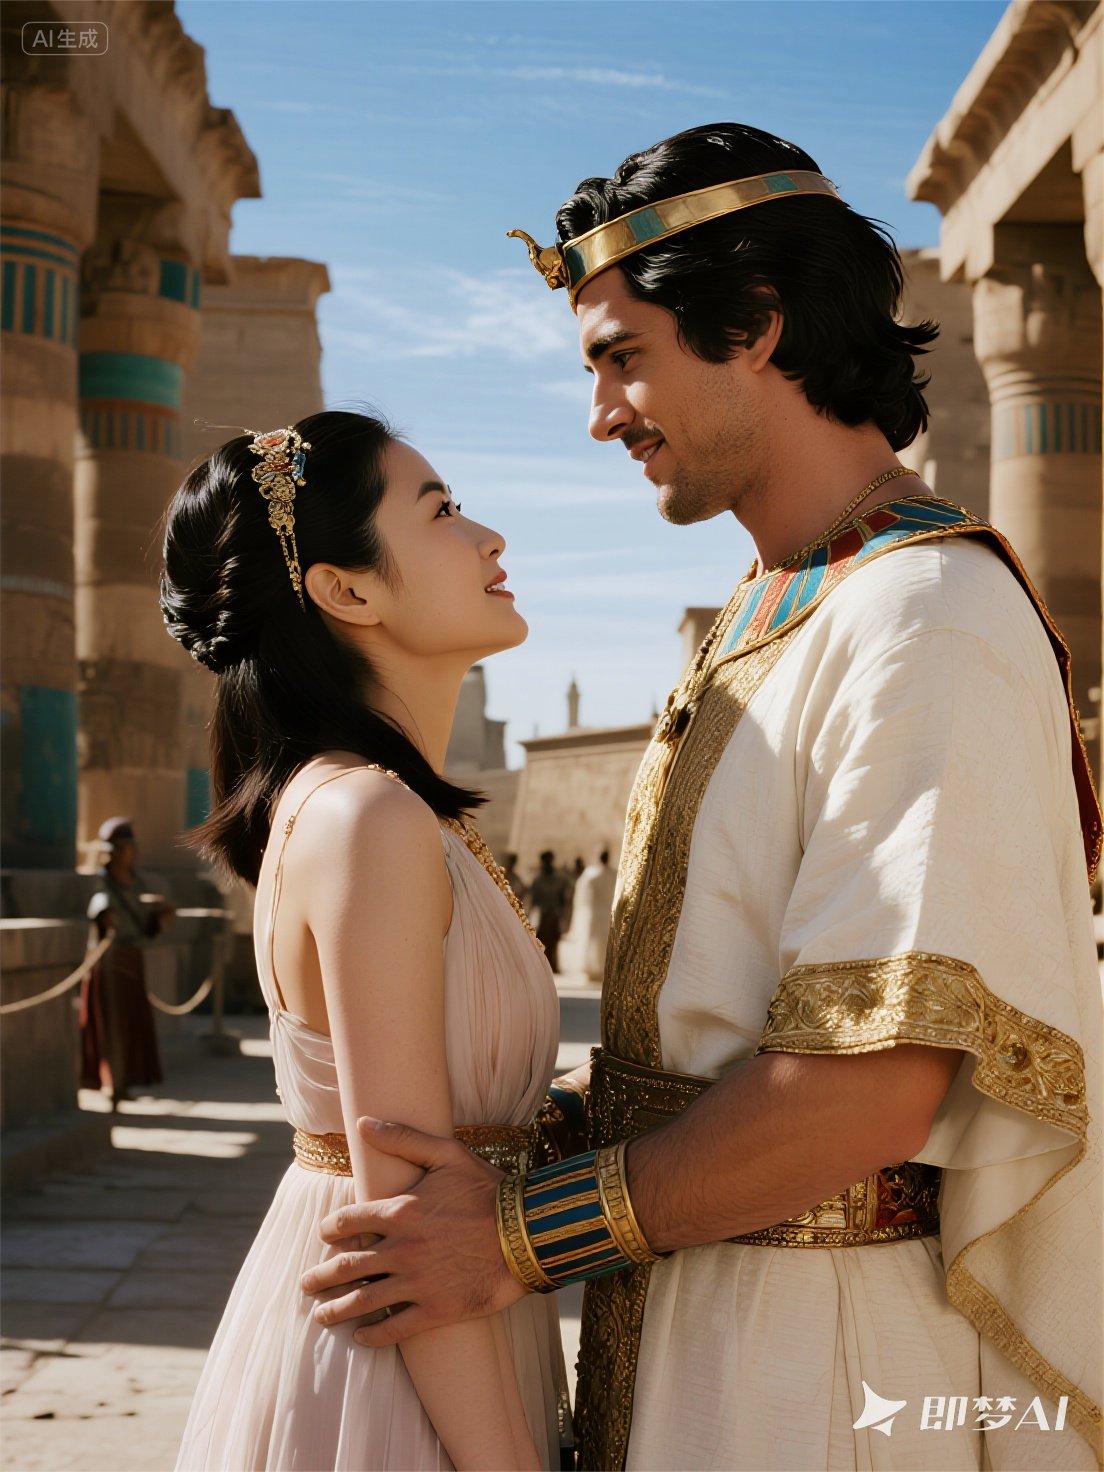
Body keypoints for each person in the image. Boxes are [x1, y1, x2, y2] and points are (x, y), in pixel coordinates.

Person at [302, 126, 1103, 1470]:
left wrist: (513, 1235)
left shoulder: (924, 614)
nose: (602, 413)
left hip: (822, 1369)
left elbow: (870, 1086)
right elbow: (716, 1026)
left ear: (756, 323)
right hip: (710, 1329)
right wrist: (523, 1136)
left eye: (622, 357)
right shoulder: (783, 603)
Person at [161, 411, 569, 1470]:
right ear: (347, 591)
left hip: (435, 1340)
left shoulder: (385, 809)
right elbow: (408, 1226)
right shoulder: (366, 815)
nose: (488, 537)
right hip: (405, 1370)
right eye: (441, 511)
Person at [79, 816, 174, 1107]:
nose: (131, 853)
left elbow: (147, 921)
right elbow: (102, 912)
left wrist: (160, 915)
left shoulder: (137, 881)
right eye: (125, 847)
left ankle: (124, 1082)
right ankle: (110, 1082)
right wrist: (106, 914)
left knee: (130, 1026)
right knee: (109, 1025)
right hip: (109, 963)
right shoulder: (101, 883)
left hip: (132, 959)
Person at [566, 848, 616, 983]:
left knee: (595, 941)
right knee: (599, 941)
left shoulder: (590, 874)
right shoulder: (613, 875)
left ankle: (596, 969)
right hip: (603, 913)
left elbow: (581, 897)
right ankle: (598, 969)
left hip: (594, 913)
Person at [527, 850, 571, 973]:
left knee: (554, 940)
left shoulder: (559, 879)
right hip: (542, 915)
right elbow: (533, 900)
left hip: (554, 915)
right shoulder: (537, 880)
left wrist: (562, 914)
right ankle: (541, 964)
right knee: (541, 940)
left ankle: (553, 965)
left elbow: (563, 899)